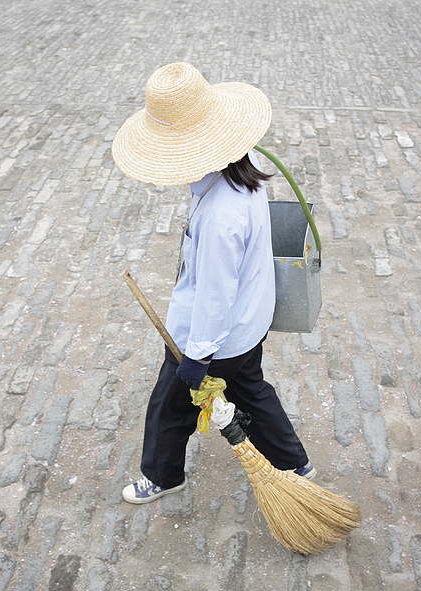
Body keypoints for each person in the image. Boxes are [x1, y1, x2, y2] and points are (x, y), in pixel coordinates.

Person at [111, 62, 314, 504]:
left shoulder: (222, 217)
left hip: (214, 337)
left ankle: (163, 475)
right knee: (250, 390)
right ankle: (294, 462)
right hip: (247, 323)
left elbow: (214, 294)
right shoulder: (247, 166)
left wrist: (197, 357)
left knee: (170, 406)